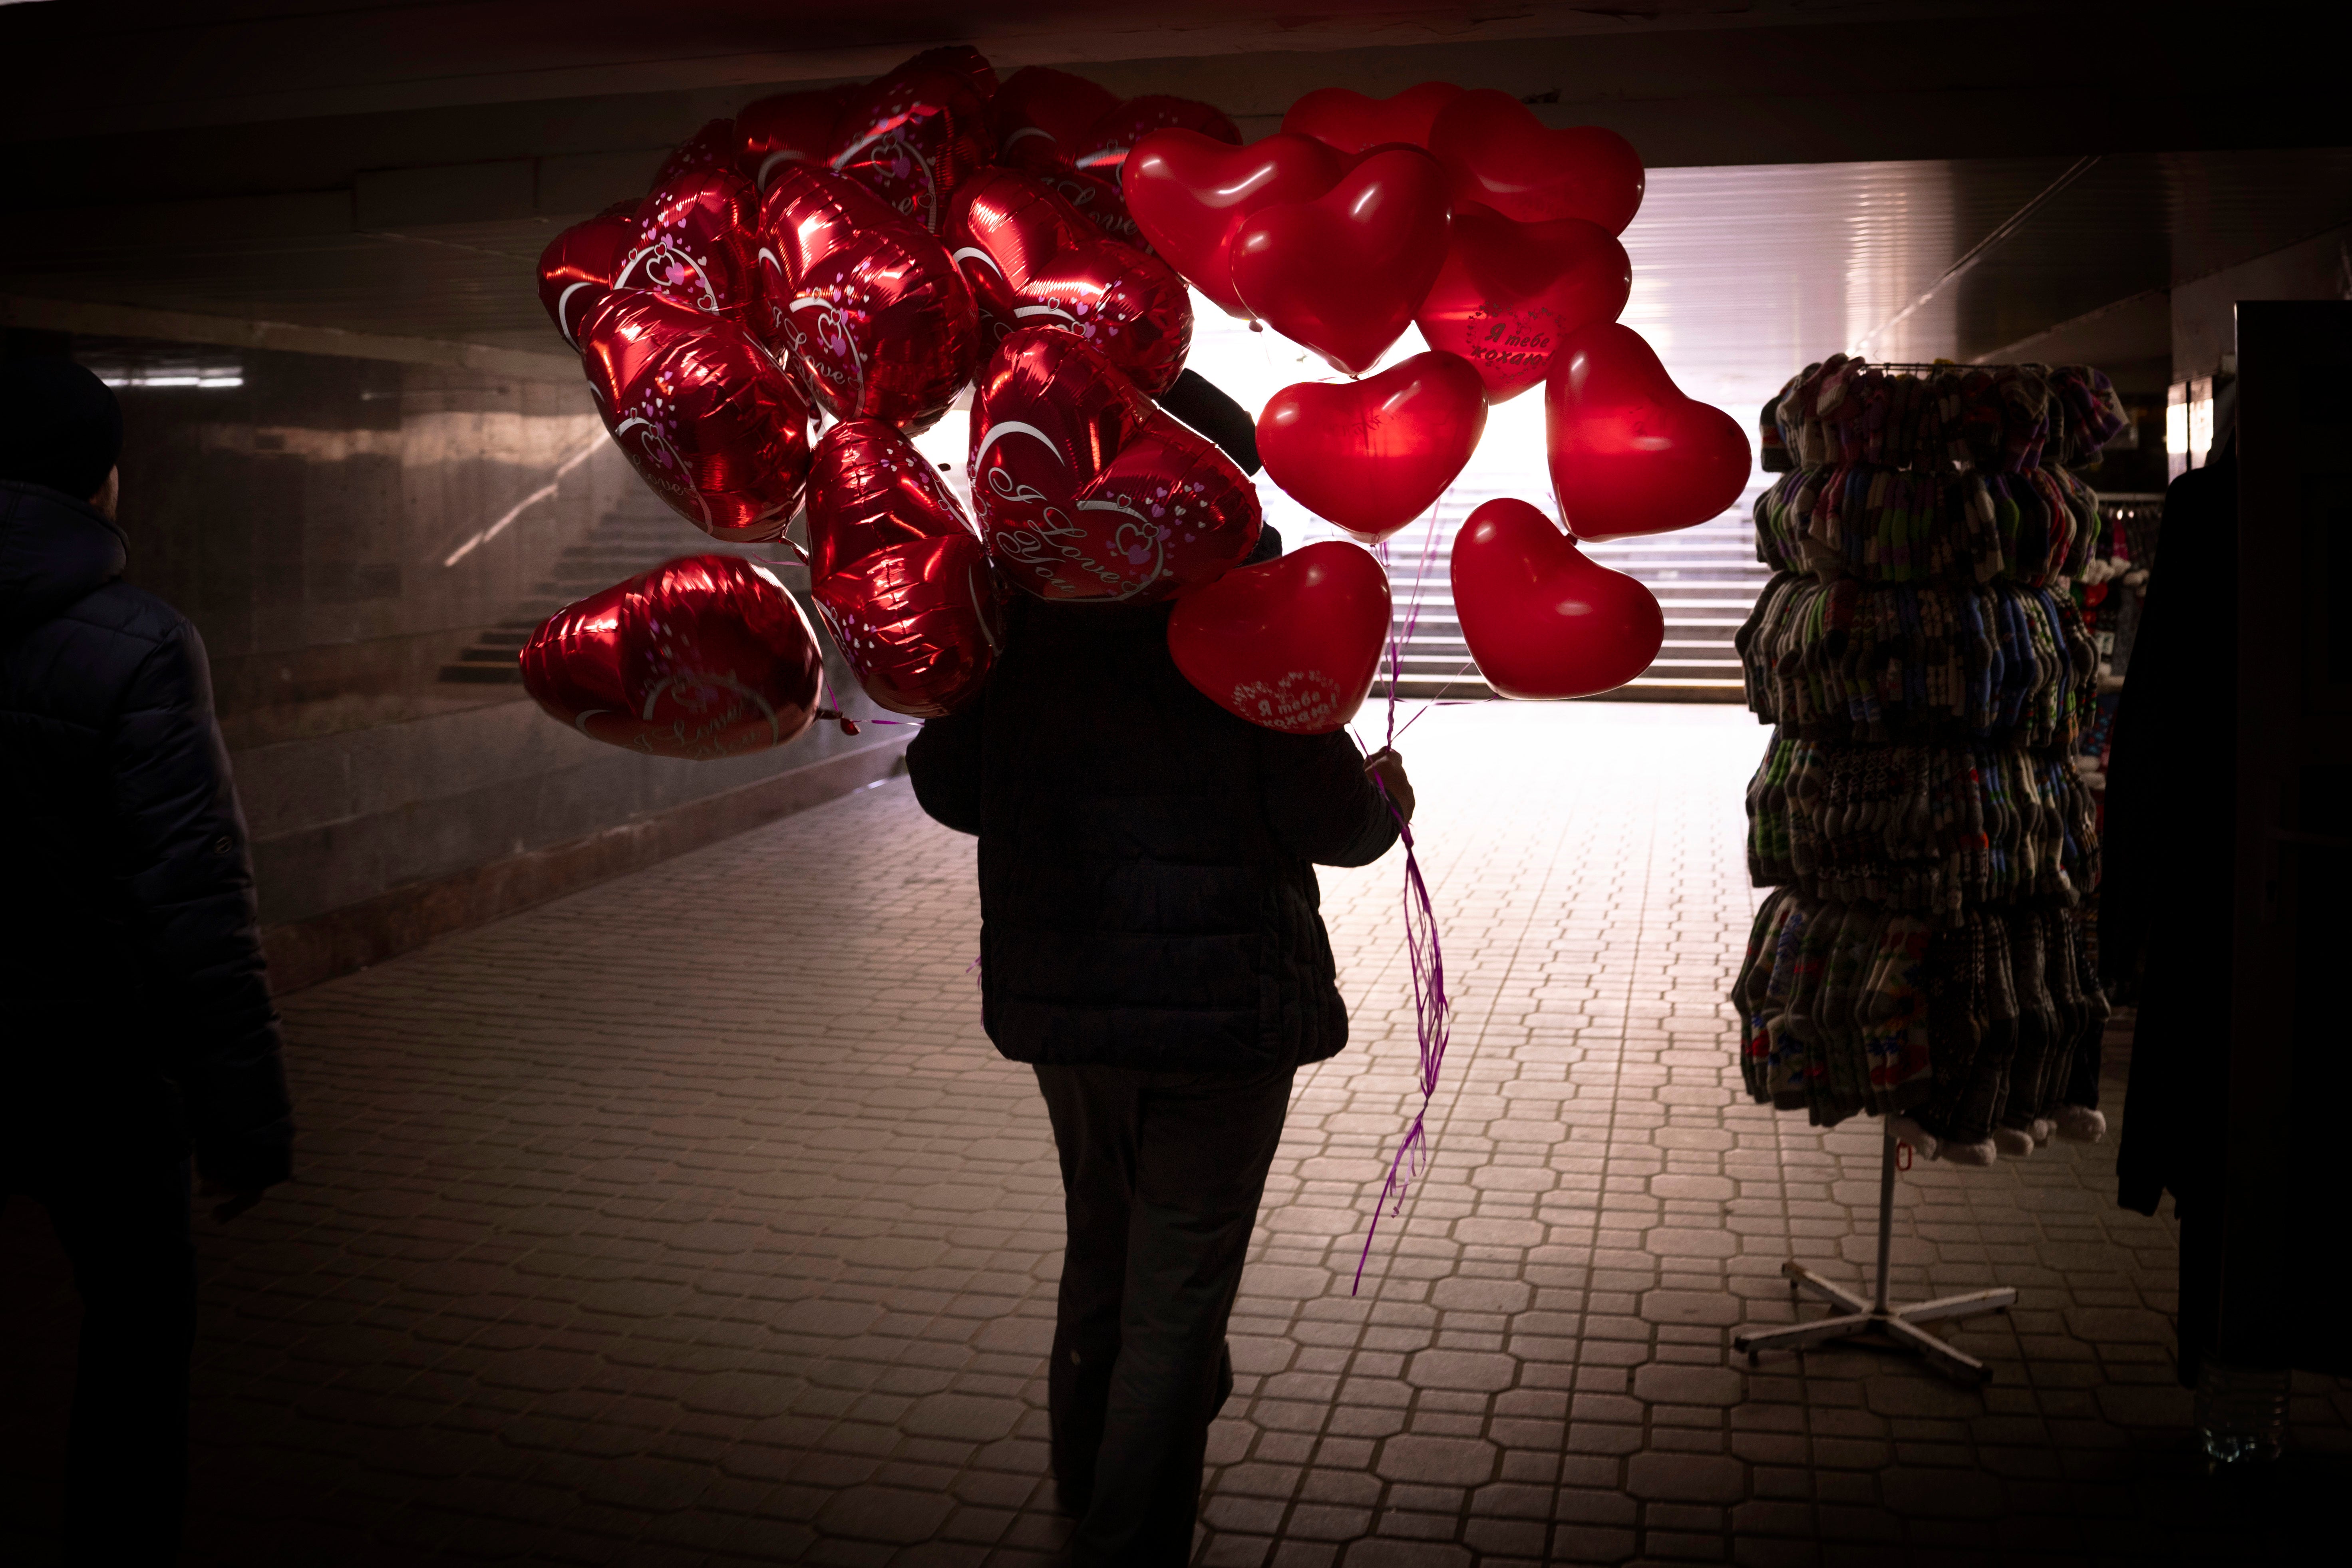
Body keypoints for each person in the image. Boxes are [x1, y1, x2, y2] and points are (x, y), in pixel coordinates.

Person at [906, 466, 1412, 1564]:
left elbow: (948, 788)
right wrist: (1389, 797)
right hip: (1222, 1022)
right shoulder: (1255, 614)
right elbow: (1344, 825)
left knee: (1104, 1239)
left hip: (1071, 1007)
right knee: (1178, 1292)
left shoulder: (1024, 610)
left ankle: (1089, 1474)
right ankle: (1128, 1539)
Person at [1, 356, 295, 1562]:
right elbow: (192, 906)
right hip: (91, 1070)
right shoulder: (138, 646)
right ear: (102, 484)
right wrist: (246, 1125)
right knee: (135, 1335)